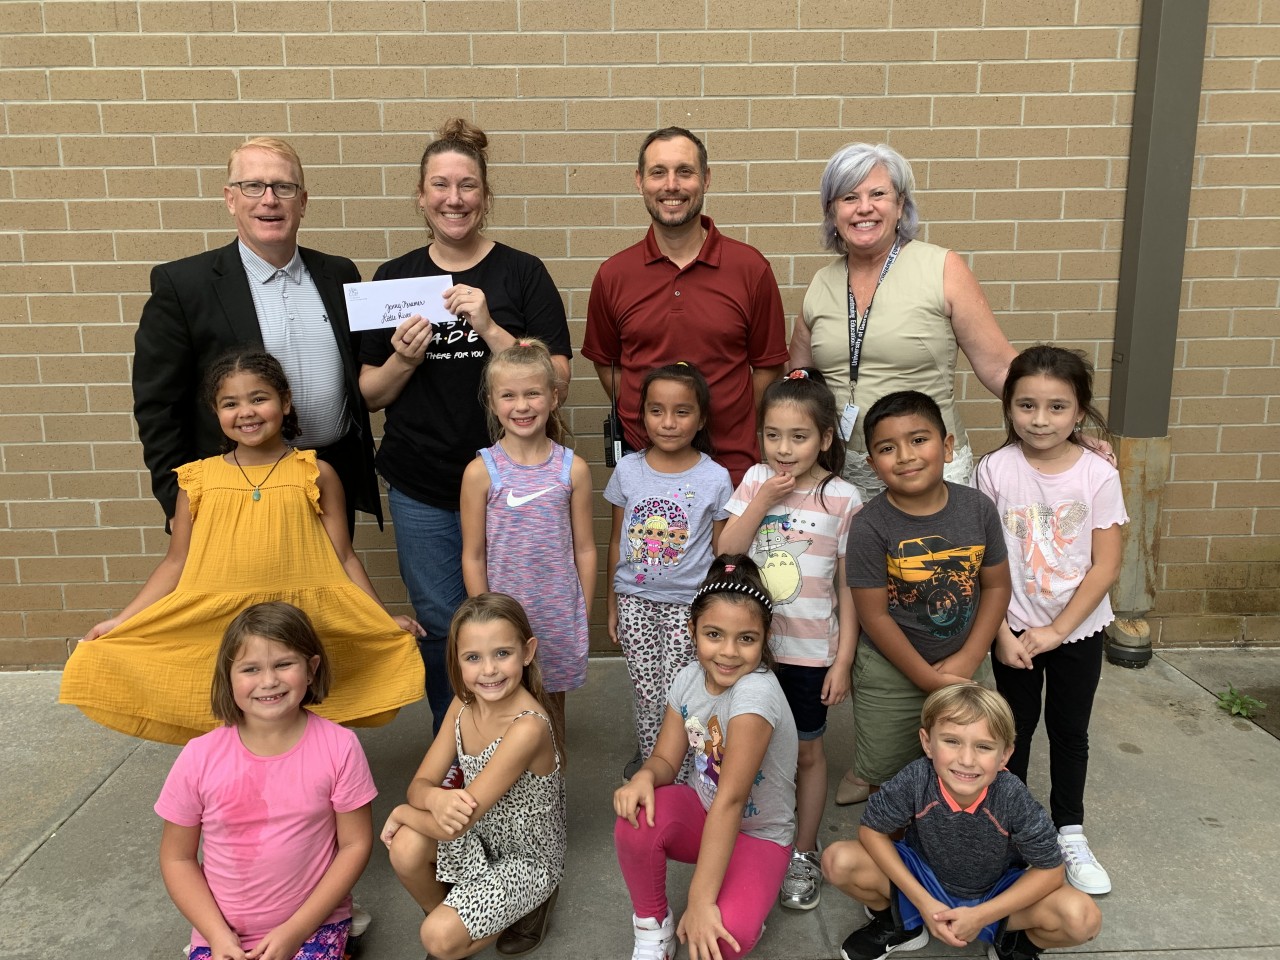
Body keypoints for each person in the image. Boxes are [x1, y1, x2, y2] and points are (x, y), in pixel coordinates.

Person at [788, 142, 1017, 807]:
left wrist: (1072, 430)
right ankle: (880, 754)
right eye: (849, 196)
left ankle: (962, 750)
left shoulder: (940, 267)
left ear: (901, 204)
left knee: (943, 608)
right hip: (853, 477)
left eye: (878, 193)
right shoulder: (821, 285)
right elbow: (799, 380)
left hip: (928, 469)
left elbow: (998, 365)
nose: (864, 207)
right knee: (867, 615)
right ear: (832, 211)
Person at [60, 350, 424, 745]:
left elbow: (344, 557)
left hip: (300, 618)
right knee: (233, 720)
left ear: (285, 402)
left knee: (298, 720)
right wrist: (124, 621)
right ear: (215, 412)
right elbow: (175, 562)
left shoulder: (315, 473)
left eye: (258, 398)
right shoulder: (196, 480)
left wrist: (381, 618)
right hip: (220, 620)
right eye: (230, 403)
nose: (246, 412)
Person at [360, 119, 573, 733]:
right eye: (441, 186)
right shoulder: (396, 279)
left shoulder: (521, 274)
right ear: (421, 196)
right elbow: (369, 394)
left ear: (485, 195)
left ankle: (530, 745)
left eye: (468, 186)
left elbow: (554, 379)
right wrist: (404, 357)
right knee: (440, 620)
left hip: (517, 487)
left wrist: (488, 326)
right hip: (424, 484)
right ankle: (456, 741)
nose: (454, 198)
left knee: (517, 623)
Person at [132, 136, 379, 536]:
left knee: (326, 592)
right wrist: (177, 501)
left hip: (327, 478)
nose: (270, 200)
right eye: (253, 186)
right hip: (238, 485)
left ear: (302, 201)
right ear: (231, 199)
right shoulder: (184, 285)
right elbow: (158, 407)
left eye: (284, 187)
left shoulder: (339, 274)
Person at [974, 345, 1127, 897]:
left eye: (1057, 407)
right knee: (1013, 732)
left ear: (1080, 411)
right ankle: (1011, 829)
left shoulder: (1097, 475)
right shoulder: (992, 470)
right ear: (1009, 408)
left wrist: (1057, 631)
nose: (1041, 420)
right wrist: (1000, 634)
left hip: (1076, 630)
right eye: (1027, 406)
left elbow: (1106, 565)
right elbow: (982, 562)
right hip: (1011, 628)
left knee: (1070, 731)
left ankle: (1069, 830)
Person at [155, 602, 377, 960]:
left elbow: (355, 845)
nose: (268, 680)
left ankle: (346, 934)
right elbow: (177, 858)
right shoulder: (199, 756)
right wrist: (215, 934)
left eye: (284, 664)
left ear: (311, 669)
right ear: (228, 677)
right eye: (250, 668)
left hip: (312, 925)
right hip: (222, 932)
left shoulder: (340, 747)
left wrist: (296, 930)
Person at [719, 369, 862, 912]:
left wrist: (842, 659)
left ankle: (802, 849)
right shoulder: (756, 479)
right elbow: (726, 553)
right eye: (773, 435)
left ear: (825, 437)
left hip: (808, 655)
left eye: (798, 437)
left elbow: (850, 589)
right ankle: (749, 835)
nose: (783, 449)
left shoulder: (844, 498)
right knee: (744, 749)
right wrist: (762, 501)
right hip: (749, 652)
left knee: (806, 752)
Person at [822, 684, 1101, 960]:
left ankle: (1016, 945)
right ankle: (898, 924)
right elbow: (871, 830)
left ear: (1004, 755)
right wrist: (922, 900)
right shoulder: (917, 778)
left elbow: (1051, 869)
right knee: (839, 860)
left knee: (1082, 917)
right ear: (927, 742)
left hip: (994, 892)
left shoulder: (1012, 796)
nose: (966, 759)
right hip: (924, 880)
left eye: (983, 746)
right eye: (952, 741)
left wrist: (982, 915)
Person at [614, 555, 799, 960]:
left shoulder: (755, 694)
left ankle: (749, 897)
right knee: (635, 818)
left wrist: (699, 900)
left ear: (764, 639)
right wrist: (645, 776)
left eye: (746, 639)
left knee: (720, 939)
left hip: (758, 833)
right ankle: (652, 928)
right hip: (705, 810)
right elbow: (666, 758)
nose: (729, 652)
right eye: (714, 634)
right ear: (692, 630)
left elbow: (732, 800)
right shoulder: (687, 680)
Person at [583, 126, 789, 485]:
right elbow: (609, 365)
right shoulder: (614, 275)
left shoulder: (751, 269)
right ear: (639, 181)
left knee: (731, 546)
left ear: (706, 179)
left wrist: (727, 420)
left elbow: (768, 368)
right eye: (658, 172)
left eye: (685, 171)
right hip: (644, 466)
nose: (671, 185)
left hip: (731, 467)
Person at [382, 594, 566, 960]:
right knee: (405, 848)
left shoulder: (528, 726)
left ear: (527, 652)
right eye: (473, 658)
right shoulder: (462, 704)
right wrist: (434, 798)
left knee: (436, 937)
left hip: (525, 859)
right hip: (479, 836)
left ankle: (523, 906)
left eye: (502, 653)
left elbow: (454, 825)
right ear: (458, 661)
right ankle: (455, 923)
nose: (489, 671)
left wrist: (403, 812)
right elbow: (420, 785)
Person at [844, 391, 1012, 791]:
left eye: (919, 440)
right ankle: (867, 779)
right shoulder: (869, 526)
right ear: (872, 465)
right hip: (890, 668)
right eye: (888, 448)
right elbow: (875, 616)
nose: (905, 455)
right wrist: (927, 679)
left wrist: (970, 658)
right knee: (887, 768)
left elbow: (997, 585)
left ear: (948, 446)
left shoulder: (978, 509)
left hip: (966, 661)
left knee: (967, 760)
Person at [460, 340, 595, 747]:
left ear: (554, 397)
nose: (522, 405)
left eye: (533, 393)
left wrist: (581, 611)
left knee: (551, 715)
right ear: (491, 401)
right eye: (509, 395)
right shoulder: (481, 471)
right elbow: (473, 555)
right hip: (504, 621)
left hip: (557, 618)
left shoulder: (573, 469)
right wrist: (484, 622)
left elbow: (585, 549)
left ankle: (550, 801)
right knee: (501, 711)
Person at [603, 362, 733, 781]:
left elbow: (720, 552)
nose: (669, 422)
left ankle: (691, 773)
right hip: (635, 603)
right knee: (646, 692)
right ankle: (653, 768)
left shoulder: (715, 477)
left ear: (701, 418)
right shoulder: (628, 470)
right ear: (642, 414)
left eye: (682, 411)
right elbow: (615, 540)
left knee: (686, 692)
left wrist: (715, 614)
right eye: (656, 410)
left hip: (689, 606)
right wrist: (611, 604)